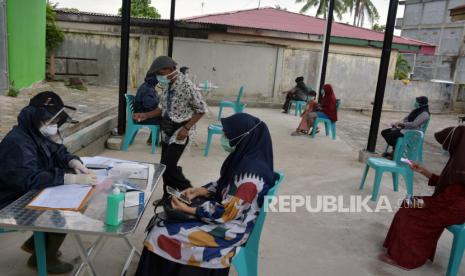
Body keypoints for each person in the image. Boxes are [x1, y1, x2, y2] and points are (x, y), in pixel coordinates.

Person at [135, 113, 275, 276]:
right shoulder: (246, 158)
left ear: (242, 137)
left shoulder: (250, 177)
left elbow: (227, 212)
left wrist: (188, 210)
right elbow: (225, 185)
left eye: (227, 134)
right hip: (230, 217)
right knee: (164, 222)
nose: (224, 137)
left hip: (230, 229)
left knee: (160, 232)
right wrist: (200, 191)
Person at [0, 91, 94, 274]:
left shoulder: (34, 132)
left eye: (55, 122)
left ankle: (36, 244)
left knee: (68, 197)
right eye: (50, 122)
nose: (53, 127)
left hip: (24, 191)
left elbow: (57, 150)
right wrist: (67, 178)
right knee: (64, 208)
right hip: (8, 199)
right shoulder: (17, 143)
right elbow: (29, 179)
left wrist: (72, 161)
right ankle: (44, 259)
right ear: (34, 116)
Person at [380, 125, 465, 270]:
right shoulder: (458, 161)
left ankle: (406, 258)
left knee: (412, 215)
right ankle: (396, 247)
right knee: (409, 202)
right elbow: (447, 183)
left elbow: (453, 198)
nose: (445, 150)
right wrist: (424, 171)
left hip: (451, 209)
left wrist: (426, 205)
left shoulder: (461, 165)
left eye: (448, 145)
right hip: (445, 203)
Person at [133, 56, 207, 199]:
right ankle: (167, 197)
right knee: (164, 166)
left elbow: (201, 109)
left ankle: (192, 194)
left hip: (181, 130)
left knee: (169, 167)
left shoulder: (186, 85)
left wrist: (186, 129)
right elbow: (162, 108)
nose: (159, 78)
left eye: (161, 74)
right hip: (167, 129)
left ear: (170, 69)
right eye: (157, 75)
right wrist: (145, 115)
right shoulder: (167, 85)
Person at [133, 60, 162, 144]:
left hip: (142, 113)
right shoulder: (148, 89)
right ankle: (160, 141)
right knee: (165, 119)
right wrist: (159, 104)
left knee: (163, 116)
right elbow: (148, 106)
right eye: (158, 77)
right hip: (142, 116)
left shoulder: (147, 86)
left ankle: (152, 140)